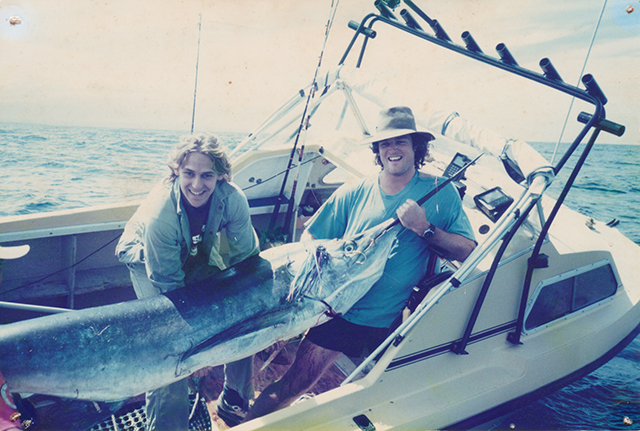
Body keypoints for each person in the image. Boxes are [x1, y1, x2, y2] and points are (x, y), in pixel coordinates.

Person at [243, 106, 477, 423]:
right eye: (384, 144)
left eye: (401, 142)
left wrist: (424, 228)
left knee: (386, 402)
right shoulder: (355, 190)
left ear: (416, 147)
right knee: (292, 386)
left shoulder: (441, 193)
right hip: (338, 313)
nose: (392, 150)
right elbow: (312, 237)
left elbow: (469, 251)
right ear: (377, 152)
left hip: (395, 321)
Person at [115, 134, 260, 430]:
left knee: (244, 318)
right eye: (189, 174)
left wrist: (257, 311)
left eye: (207, 175)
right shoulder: (160, 213)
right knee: (170, 349)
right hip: (147, 258)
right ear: (176, 173)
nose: (197, 185)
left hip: (191, 251)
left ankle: (234, 397)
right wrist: (200, 349)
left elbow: (248, 264)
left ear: (221, 176)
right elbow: (171, 293)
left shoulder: (232, 199)